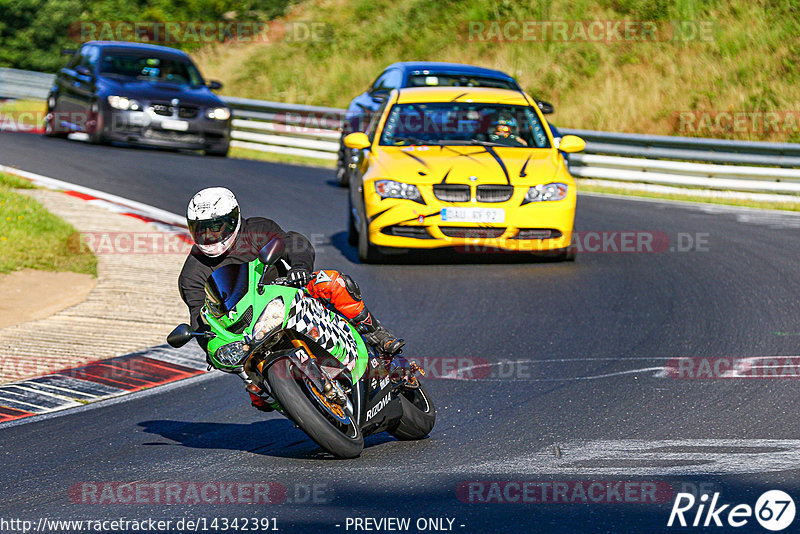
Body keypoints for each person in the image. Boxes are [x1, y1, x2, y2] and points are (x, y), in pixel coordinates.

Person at [178, 187, 405, 410]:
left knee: (330, 281)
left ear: (234, 218)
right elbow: (199, 318)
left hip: (288, 294)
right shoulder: (192, 274)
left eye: (216, 228)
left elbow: (294, 242)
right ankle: (281, 396)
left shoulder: (257, 229)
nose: (209, 236)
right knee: (256, 392)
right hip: (246, 331)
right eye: (201, 230)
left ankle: (376, 333)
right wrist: (211, 346)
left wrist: (300, 268)